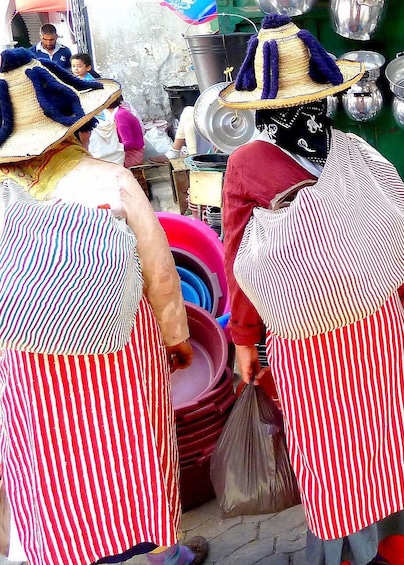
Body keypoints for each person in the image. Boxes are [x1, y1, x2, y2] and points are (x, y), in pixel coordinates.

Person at [219, 15, 404, 565]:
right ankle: (383, 553)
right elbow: (397, 227)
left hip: (331, 340)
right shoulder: (344, 151)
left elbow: (241, 262)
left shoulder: (266, 162)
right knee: (373, 448)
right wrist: (246, 336)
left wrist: (245, 339)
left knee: (350, 454)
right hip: (354, 334)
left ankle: (369, 552)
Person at [0, 49, 207, 565]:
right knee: (132, 452)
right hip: (118, 359)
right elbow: (159, 268)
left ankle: (70, 548)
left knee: (52, 468)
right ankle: (158, 550)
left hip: (31, 368)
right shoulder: (107, 179)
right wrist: (176, 336)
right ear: (72, 126)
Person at [108, 95, 145, 167]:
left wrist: (110, 150)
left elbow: (129, 144)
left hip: (132, 154)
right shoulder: (117, 113)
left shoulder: (120, 116)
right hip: (127, 152)